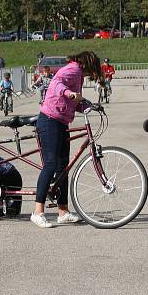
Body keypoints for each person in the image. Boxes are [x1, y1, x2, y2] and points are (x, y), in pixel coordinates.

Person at [31, 51, 103, 228]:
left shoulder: (79, 76)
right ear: (89, 64)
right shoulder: (73, 70)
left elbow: (75, 102)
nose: (94, 73)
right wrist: (69, 93)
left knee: (63, 167)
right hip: (50, 120)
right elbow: (56, 84)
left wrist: (89, 105)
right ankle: (37, 212)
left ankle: (63, 212)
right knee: (50, 164)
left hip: (61, 122)